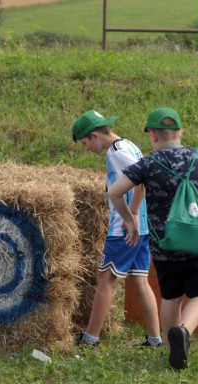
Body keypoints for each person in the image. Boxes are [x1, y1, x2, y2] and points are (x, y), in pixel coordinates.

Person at [108, 107, 198, 370]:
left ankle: (172, 350)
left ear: (153, 136)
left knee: (171, 296)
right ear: (180, 132)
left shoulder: (148, 164)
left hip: (166, 246)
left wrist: (130, 220)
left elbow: (115, 192)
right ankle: (184, 331)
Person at [71, 110, 161, 348]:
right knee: (140, 281)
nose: (86, 149)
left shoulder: (116, 153)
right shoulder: (128, 145)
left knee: (105, 278)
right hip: (142, 228)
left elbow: (142, 180)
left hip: (125, 229)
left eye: (85, 143)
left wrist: (131, 217)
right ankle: (155, 339)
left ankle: (90, 339)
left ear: (95, 136)